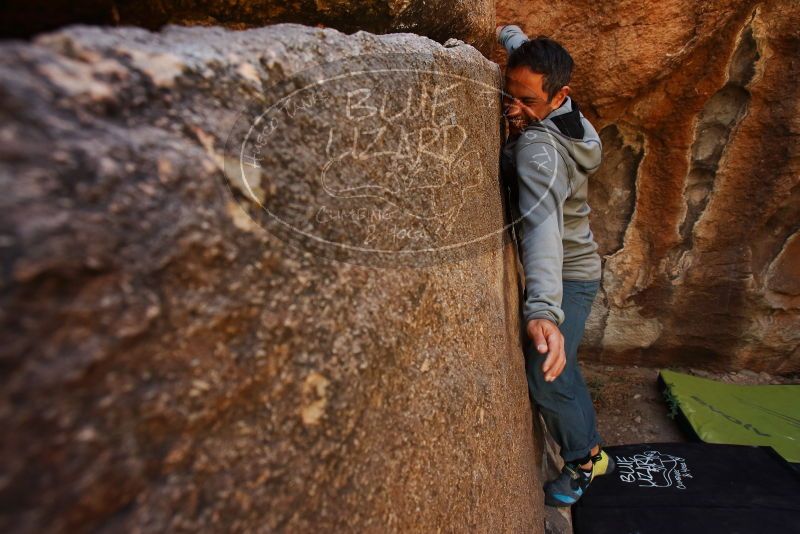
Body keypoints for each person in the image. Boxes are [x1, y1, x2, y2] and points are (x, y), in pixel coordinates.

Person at [496, 24, 616, 507]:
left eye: (525, 101)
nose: (513, 107)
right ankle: (588, 446)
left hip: (567, 272)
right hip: (577, 263)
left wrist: (543, 310)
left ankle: (583, 460)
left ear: (558, 94)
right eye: (509, 94)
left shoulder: (538, 150)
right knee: (561, 368)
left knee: (547, 369)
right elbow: (525, 59)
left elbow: (542, 228)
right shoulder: (570, 113)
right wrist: (510, 36)